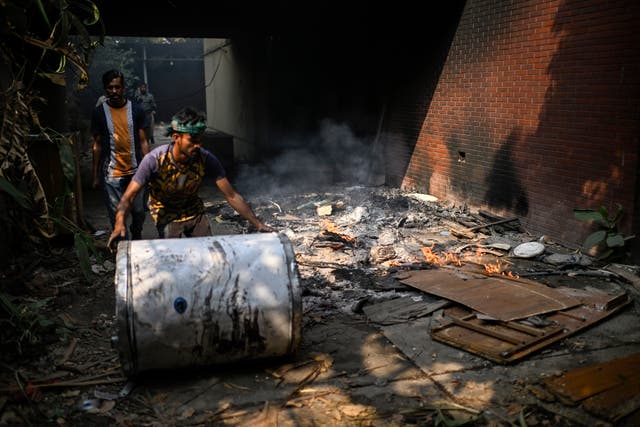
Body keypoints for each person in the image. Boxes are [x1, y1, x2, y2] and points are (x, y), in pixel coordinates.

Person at [107, 107, 273, 247]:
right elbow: (128, 197)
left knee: (209, 253)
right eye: (192, 140)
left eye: (200, 140)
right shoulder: (154, 160)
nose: (198, 145)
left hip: (194, 212)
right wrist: (119, 223)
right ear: (176, 137)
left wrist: (257, 223)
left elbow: (232, 195)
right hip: (166, 214)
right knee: (173, 258)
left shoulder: (206, 158)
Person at [92, 69, 150, 240]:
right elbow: (96, 145)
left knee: (139, 212)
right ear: (105, 89)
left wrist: (149, 168)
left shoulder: (137, 110)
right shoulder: (99, 113)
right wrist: (95, 175)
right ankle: (123, 250)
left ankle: (137, 233)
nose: (114, 91)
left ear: (123, 88)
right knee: (117, 217)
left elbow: (144, 141)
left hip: (136, 172)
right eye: (110, 88)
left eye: (117, 87)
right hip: (111, 175)